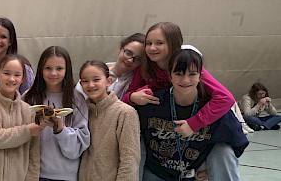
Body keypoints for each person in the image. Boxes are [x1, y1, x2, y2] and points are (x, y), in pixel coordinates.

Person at [124, 22, 238, 180]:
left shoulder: (189, 65)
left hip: (194, 130)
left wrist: (194, 123)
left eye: (159, 43)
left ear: (173, 44)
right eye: (148, 43)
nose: (152, 48)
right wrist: (132, 97)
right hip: (161, 135)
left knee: (222, 150)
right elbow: (125, 97)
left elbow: (225, 98)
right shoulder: (145, 68)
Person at [137, 50, 248, 181]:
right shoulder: (152, 102)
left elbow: (237, 143)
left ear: (200, 76)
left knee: (224, 150)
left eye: (192, 74)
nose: (185, 80)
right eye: (178, 74)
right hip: (159, 171)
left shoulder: (214, 109)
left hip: (197, 171)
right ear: (169, 76)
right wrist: (130, 97)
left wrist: (208, 167)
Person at [22, 46, 89, 181]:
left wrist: (60, 129)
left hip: (65, 175)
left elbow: (78, 147)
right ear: (41, 69)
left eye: (59, 68)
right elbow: (17, 133)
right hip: (32, 173)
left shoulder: (77, 99)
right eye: (48, 68)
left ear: (67, 70)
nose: (53, 73)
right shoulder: (28, 97)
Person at [77, 60, 140, 181]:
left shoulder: (125, 113)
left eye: (96, 80)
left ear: (108, 81)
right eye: (85, 81)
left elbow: (130, 159)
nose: (90, 85)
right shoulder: (81, 111)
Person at [76, 33, 145, 100]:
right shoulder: (96, 70)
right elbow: (78, 96)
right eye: (128, 53)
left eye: (138, 59)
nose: (130, 60)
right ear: (120, 49)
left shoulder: (136, 82)